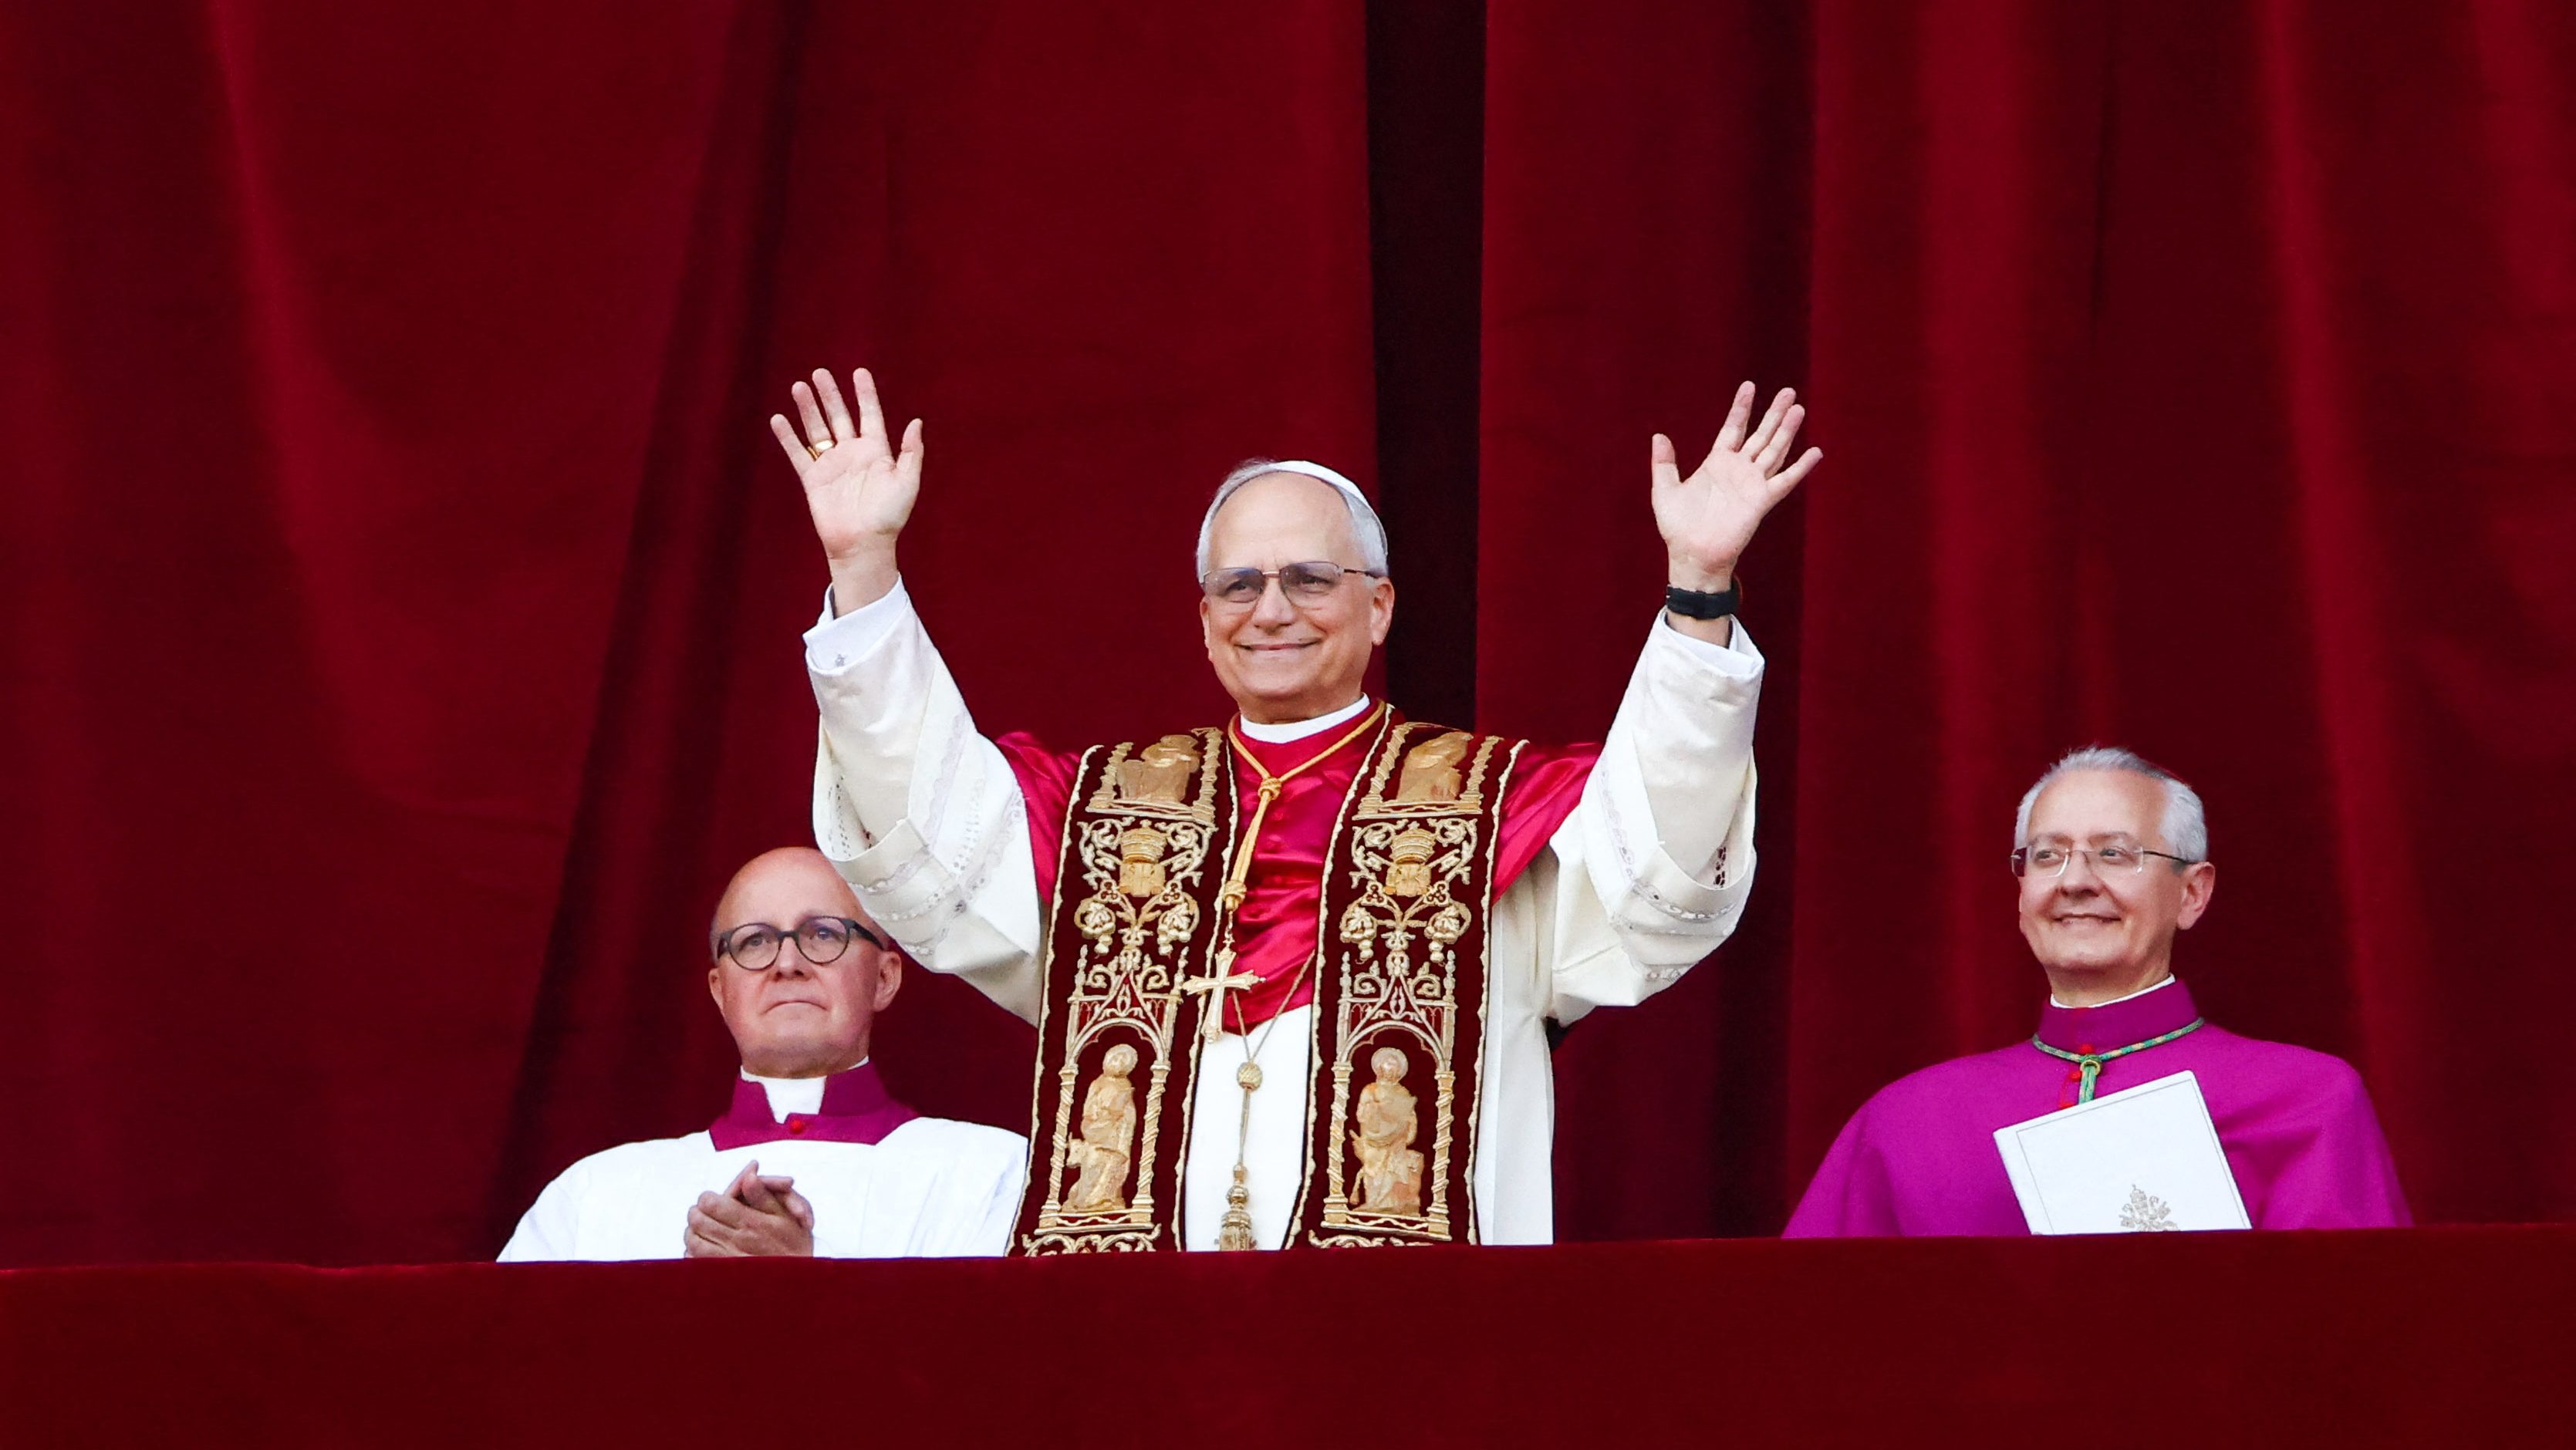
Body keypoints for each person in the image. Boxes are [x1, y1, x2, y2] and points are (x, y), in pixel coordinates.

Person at [771, 367, 1819, 1251]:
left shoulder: (1492, 808)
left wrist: (1699, 586)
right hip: (1139, 1342)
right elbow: (927, 828)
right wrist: (862, 570)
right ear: (1203, 618)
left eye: (1309, 578)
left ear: (1379, 605)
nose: (1269, 610)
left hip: (1403, 1357)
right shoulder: (1101, 815)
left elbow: (1658, 863)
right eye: (1238, 585)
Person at [1784, 747, 2410, 1236]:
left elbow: (2351, 1339)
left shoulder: (2304, 1100)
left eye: (2114, 854)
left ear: (2192, 893)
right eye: (2047, 856)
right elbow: (1807, 1333)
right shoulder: (1905, 1121)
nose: (2075, 881)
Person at [498, 847, 1026, 1260]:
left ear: (884, 978)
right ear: (719, 991)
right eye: (753, 942)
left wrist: (807, 1283)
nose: (787, 963)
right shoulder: (595, 1194)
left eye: (824, 934)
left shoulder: (993, 1174)